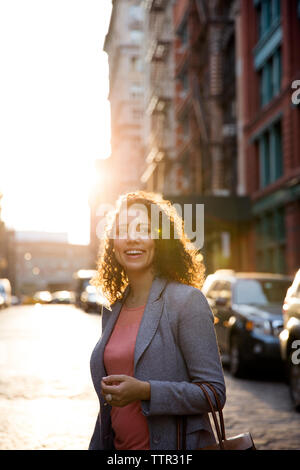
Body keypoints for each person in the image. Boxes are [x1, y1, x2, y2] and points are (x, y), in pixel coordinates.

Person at [88, 190, 226, 450]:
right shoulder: (113, 308)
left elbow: (214, 393)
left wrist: (146, 391)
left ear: (161, 239)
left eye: (143, 229)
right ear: (113, 243)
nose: (132, 238)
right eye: (123, 230)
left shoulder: (186, 301)